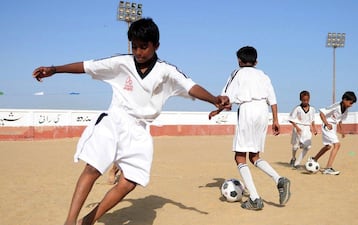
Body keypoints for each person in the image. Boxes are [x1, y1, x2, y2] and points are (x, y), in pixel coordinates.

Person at [32, 18, 229, 225]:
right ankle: (70, 221)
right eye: (134, 46)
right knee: (93, 168)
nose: (138, 52)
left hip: (140, 130)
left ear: (156, 46)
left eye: (144, 47)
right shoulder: (121, 63)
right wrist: (54, 69)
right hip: (114, 120)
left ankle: (87, 221)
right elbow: (87, 66)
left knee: (129, 182)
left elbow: (190, 86)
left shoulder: (166, 71)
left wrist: (215, 99)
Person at [210, 46, 291, 210]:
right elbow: (273, 99)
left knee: (240, 157)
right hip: (263, 111)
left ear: (239, 60)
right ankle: (279, 180)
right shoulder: (263, 75)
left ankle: (255, 198)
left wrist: (217, 109)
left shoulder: (237, 73)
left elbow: (226, 98)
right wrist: (275, 120)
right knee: (254, 156)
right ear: (256, 61)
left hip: (247, 110)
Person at [308, 91, 357, 175]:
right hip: (327, 126)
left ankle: (314, 159)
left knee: (328, 147)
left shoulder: (346, 110)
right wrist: (327, 124)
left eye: (352, 104)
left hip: (333, 128)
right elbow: (322, 113)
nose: (351, 105)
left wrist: (342, 131)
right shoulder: (336, 106)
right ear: (345, 99)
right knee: (337, 145)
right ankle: (328, 168)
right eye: (350, 103)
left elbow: (340, 121)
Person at [288, 90, 317, 169]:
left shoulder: (312, 109)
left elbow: (312, 120)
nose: (305, 102)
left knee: (308, 147)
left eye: (307, 100)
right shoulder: (297, 109)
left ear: (309, 99)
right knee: (295, 147)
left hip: (307, 129)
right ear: (300, 99)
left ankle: (297, 163)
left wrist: (314, 128)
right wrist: (296, 127)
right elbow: (291, 119)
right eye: (304, 100)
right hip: (298, 128)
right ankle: (293, 158)